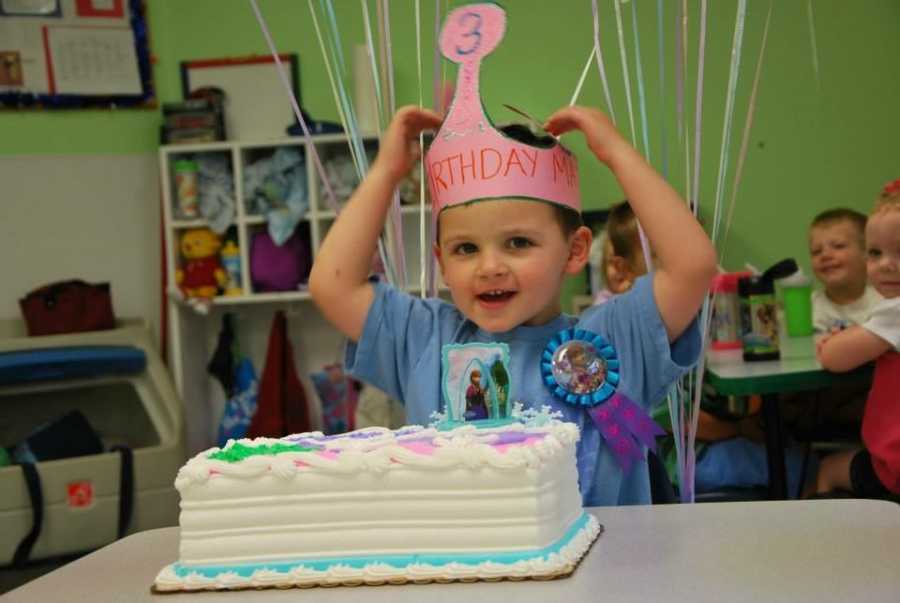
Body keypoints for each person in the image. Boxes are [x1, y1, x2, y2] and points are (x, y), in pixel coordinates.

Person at [309, 101, 716, 507]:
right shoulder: (424, 339)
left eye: (518, 243)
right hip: (467, 569)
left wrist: (617, 153)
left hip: (610, 568)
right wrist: (386, 173)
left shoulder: (617, 337)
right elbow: (333, 286)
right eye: (465, 248)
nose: (489, 267)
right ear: (442, 264)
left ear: (575, 251)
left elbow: (693, 265)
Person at [595, 201, 816, 497]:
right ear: (623, 272)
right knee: (804, 468)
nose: (685, 267)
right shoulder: (635, 338)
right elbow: (677, 424)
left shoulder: (680, 320)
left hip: (705, 440)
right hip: (677, 462)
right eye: (666, 255)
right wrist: (739, 431)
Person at [814, 184, 900, 501]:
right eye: (875, 253)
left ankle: (833, 541)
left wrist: (831, 345)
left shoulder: (897, 310)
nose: (886, 264)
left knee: (827, 469)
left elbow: (834, 358)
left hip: (894, 469)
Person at [809, 208, 883, 333]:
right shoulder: (808, 308)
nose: (825, 255)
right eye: (816, 251)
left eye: (838, 246)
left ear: (867, 254)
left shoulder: (885, 304)